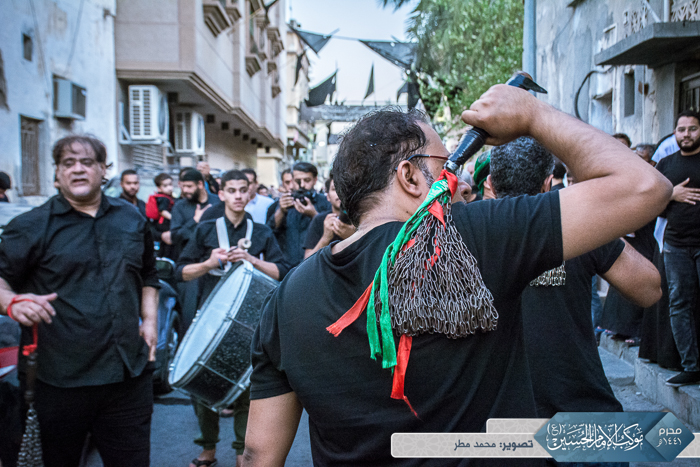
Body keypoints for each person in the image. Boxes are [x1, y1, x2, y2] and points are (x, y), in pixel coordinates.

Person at [242, 86, 672, 466]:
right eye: (446, 165)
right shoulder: (472, 235)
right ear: (410, 176)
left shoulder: (286, 297)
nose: (459, 182)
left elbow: (260, 455)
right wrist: (533, 114)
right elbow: (644, 186)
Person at [0, 135, 159, 467]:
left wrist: (150, 321)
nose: (77, 169)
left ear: (103, 170)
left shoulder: (131, 218)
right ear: (57, 173)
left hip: (128, 377)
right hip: (58, 381)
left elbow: (148, 274)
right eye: (68, 163)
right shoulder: (29, 227)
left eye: (87, 162)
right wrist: (12, 302)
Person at [490, 137, 660, 428]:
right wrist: (602, 222)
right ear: (548, 183)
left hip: (498, 422)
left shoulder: (463, 230)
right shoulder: (579, 224)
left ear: (491, 184)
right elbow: (650, 288)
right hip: (582, 416)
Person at [176, 170, 287, 467]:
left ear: (250, 193)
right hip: (210, 321)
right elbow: (181, 272)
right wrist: (209, 263)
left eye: (242, 190)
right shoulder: (205, 230)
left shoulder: (260, 232)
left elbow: (283, 271)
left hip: (250, 324)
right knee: (202, 388)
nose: (238, 196)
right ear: (221, 193)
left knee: (246, 391)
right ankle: (208, 449)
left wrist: (251, 259)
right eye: (232, 190)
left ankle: (241, 452)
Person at [656, 110, 700, 387]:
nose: (686, 134)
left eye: (692, 129)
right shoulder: (665, 164)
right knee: (679, 305)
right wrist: (671, 194)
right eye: (681, 129)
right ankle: (691, 366)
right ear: (675, 133)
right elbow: (650, 203)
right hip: (676, 245)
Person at [267, 162, 331, 267]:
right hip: (287, 266)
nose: (302, 185)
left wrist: (314, 215)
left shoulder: (326, 202)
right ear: (292, 181)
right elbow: (269, 232)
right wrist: (281, 211)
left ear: (315, 180)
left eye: (307, 180)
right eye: (298, 181)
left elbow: (332, 232)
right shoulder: (282, 203)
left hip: (316, 264)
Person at [171, 169, 221, 254]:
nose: (185, 190)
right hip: (189, 257)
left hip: (217, 255)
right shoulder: (179, 206)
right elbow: (175, 237)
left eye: (189, 186)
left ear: (200, 184)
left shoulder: (218, 202)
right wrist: (194, 221)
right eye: (183, 186)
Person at [303, 176, 355, 258]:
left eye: (344, 188)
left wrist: (353, 236)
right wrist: (325, 238)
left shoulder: (360, 219)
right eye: (335, 189)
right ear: (328, 196)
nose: (340, 193)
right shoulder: (319, 220)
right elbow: (307, 260)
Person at [150, 172, 175, 259]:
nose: (169, 188)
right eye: (165, 186)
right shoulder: (164, 198)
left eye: (170, 184)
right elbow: (163, 211)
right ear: (159, 188)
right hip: (163, 225)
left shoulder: (165, 197)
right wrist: (173, 218)